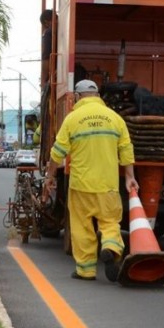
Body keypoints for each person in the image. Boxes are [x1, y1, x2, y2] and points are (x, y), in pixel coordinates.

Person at [43, 79, 138, 282]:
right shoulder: (115, 118)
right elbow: (126, 148)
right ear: (97, 96)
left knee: (81, 226)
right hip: (108, 185)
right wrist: (130, 176)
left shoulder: (72, 119)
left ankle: (86, 270)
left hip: (81, 185)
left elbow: (57, 152)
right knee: (110, 221)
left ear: (78, 97)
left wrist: (50, 177)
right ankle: (111, 247)